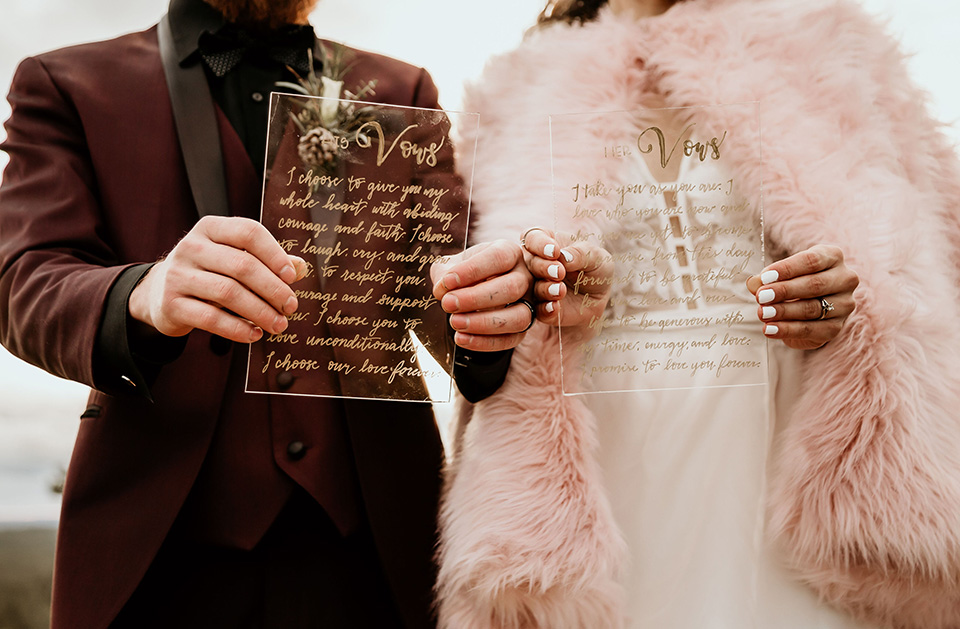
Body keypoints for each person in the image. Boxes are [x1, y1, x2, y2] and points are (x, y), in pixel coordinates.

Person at [0, 0, 534, 627]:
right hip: (162, 544)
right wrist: (143, 293)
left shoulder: (401, 91)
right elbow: (23, 277)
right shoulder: (64, 83)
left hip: (375, 542)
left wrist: (491, 308)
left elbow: (445, 286)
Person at [436, 0, 960, 628]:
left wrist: (847, 302)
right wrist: (537, 291)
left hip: (784, 453)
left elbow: (930, 269)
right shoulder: (516, 87)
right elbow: (474, 323)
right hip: (604, 458)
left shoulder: (836, 46)